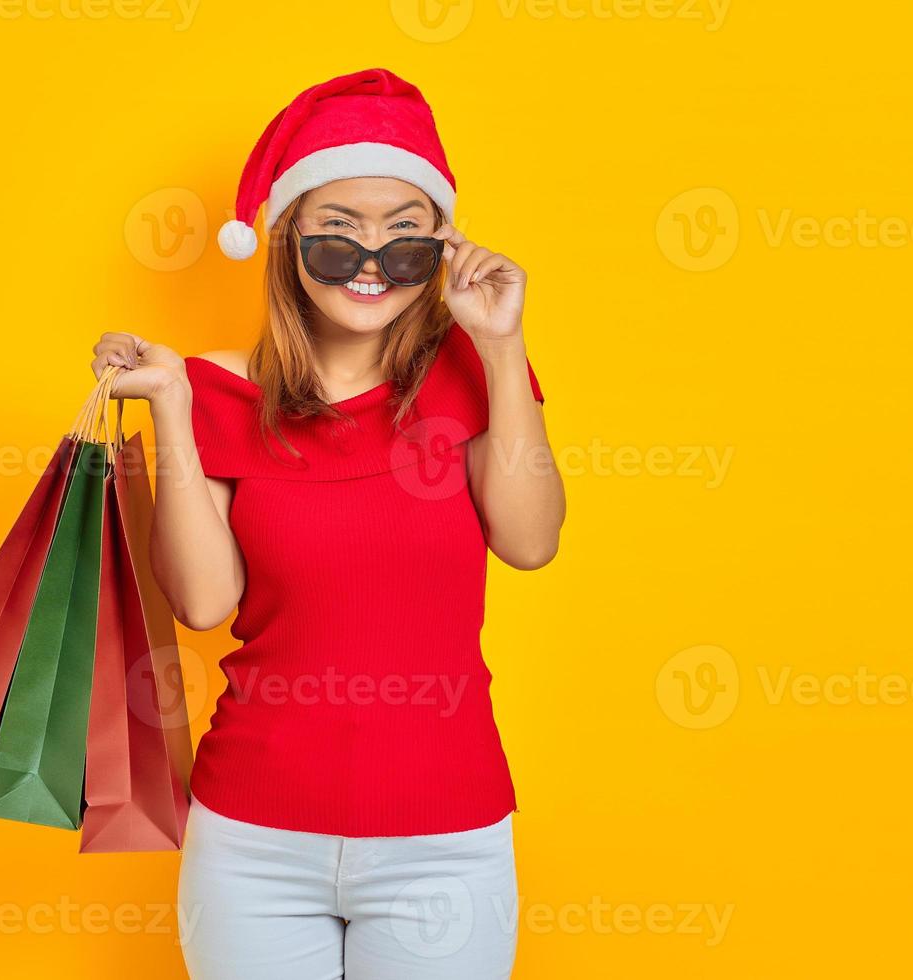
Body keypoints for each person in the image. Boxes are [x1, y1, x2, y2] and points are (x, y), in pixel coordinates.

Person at [89, 67, 565, 980]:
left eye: (405, 238)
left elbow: (532, 541)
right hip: (255, 837)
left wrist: (502, 343)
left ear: (443, 249)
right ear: (287, 243)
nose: (373, 265)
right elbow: (202, 600)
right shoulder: (217, 391)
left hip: (445, 840)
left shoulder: (476, 372)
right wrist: (172, 410)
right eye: (339, 237)